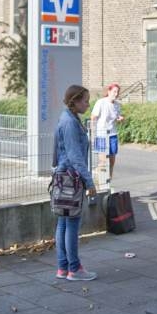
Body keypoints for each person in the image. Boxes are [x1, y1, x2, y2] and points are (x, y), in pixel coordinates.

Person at [54, 84, 98, 281]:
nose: (88, 104)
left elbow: (58, 151)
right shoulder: (71, 122)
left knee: (63, 222)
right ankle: (74, 269)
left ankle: (63, 267)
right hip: (72, 178)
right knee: (71, 223)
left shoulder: (66, 118)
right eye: (85, 100)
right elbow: (75, 156)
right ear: (76, 101)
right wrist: (89, 182)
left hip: (63, 177)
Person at [90, 82, 124, 178]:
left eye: (117, 92)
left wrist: (120, 119)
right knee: (103, 161)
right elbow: (93, 117)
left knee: (112, 161)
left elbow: (117, 117)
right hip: (101, 134)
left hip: (112, 134)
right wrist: (93, 132)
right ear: (109, 92)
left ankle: (108, 181)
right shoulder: (101, 102)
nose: (116, 94)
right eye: (114, 91)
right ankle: (100, 182)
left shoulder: (117, 105)